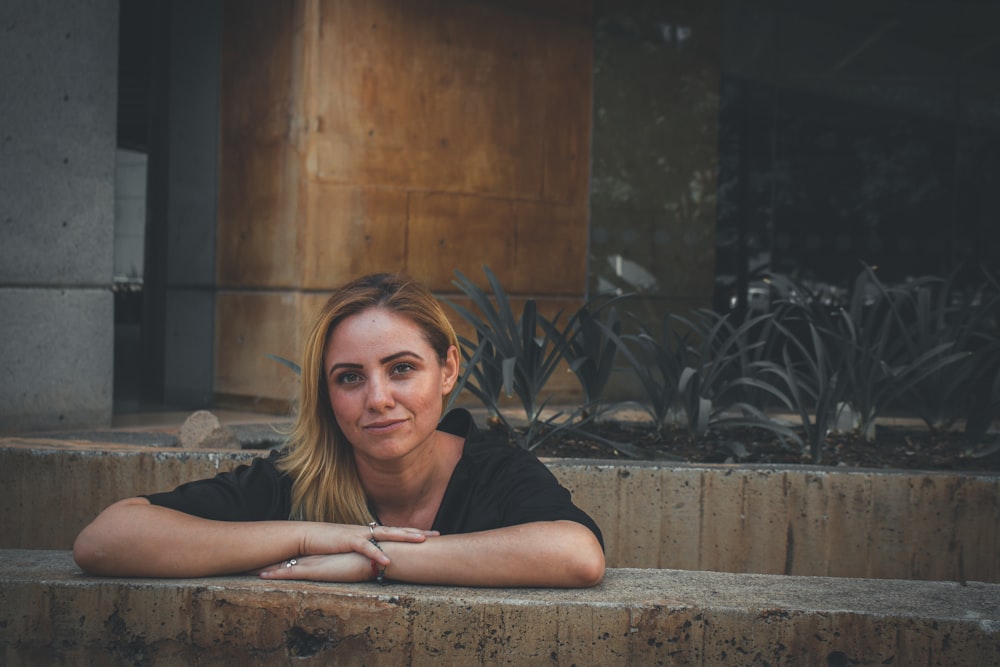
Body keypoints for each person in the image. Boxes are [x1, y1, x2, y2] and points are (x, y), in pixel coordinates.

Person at [73, 273, 605, 588]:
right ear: (326, 394)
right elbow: (105, 541)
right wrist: (310, 535)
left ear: (447, 370)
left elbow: (576, 554)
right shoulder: (296, 480)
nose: (377, 399)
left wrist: (373, 562)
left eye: (401, 369)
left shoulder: (492, 469)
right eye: (349, 378)